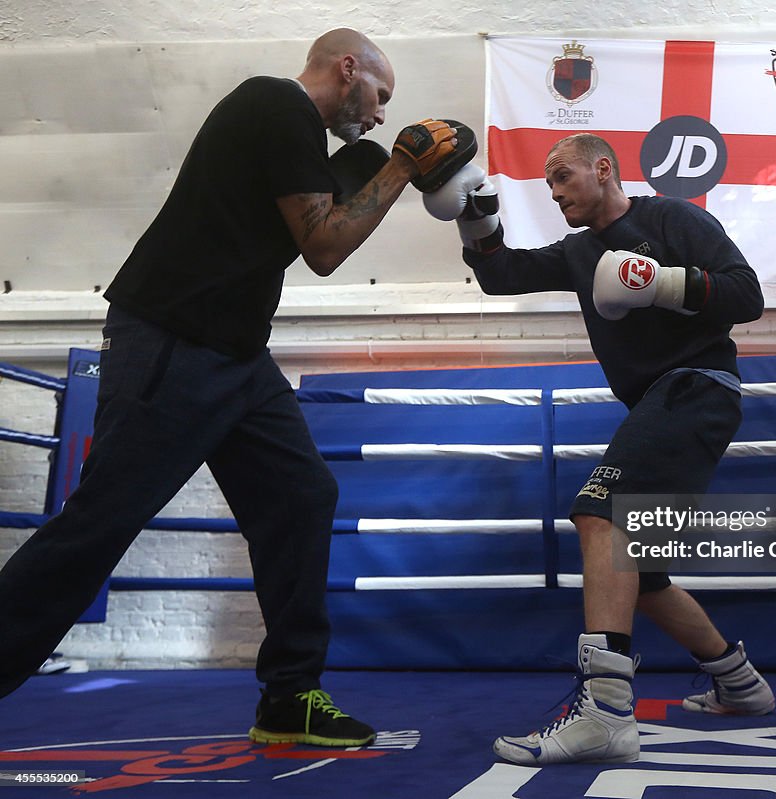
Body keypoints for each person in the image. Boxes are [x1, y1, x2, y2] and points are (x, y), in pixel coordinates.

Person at [0, 28, 469, 748]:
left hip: (240, 360)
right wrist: (401, 166)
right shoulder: (275, 104)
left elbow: (320, 215)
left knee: (301, 494)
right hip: (173, 343)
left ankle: (291, 696)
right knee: (98, 525)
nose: (378, 114)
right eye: (379, 96)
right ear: (348, 69)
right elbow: (325, 246)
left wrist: (379, 163)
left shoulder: (298, 137)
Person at [423, 133, 776, 765]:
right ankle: (740, 685)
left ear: (604, 169)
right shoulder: (580, 252)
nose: (555, 192)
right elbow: (501, 275)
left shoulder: (673, 217)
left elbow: (746, 295)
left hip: (698, 386)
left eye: (563, 177)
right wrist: (476, 213)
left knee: (600, 514)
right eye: (549, 183)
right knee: (634, 571)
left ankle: (607, 713)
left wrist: (664, 283)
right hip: (657, 403)